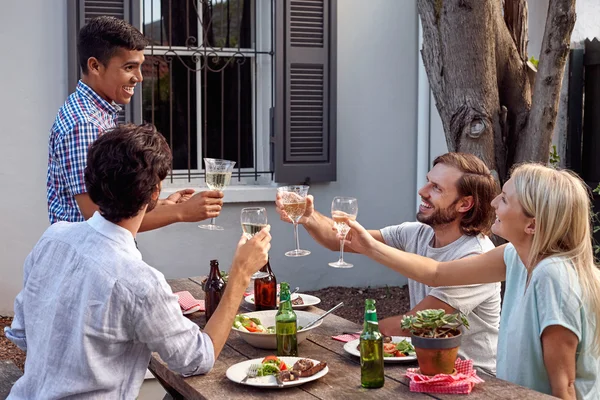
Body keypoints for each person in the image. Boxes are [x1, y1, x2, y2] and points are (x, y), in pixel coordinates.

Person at [5, 124, 272, 399]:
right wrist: (240, 274)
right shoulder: (138, 281)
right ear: (154, 191)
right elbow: (197, 359)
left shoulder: (54, 237)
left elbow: (21, 333)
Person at [346, 163, 600, 399]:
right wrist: (369, 247)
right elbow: (437, 273)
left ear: (531, 225)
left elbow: (564, 384)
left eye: (505, 199)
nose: (493, 203)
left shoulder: (553, 275)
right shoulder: (514, 255)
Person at [276, 152, 501, 375]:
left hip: (470, 376)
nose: (422, 192)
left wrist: (362, 334)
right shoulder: (418, 233)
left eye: (436, 188)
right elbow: (343, 241)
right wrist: (308, 216)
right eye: (427, 182)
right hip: (420, 363)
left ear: (464, 204)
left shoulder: (476, 258)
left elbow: (410, 324)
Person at [47, 16, 223, 229]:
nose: (139, 77)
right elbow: (99, 220)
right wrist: (180, 213)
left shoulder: (96, 112)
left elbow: (115, 206)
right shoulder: (85, 124)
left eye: (139, 67)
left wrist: (162, 205)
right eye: (129, 67)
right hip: (93, 258)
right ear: (95, 66)